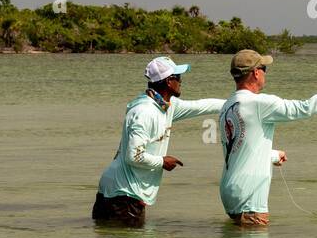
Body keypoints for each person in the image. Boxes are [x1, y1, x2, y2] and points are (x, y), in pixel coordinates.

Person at [218, 49, 317, 227]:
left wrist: (272, 156)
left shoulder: (227, 105)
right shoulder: (259, 103)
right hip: (250, 199)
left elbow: (238, 150)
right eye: (264, 68)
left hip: (229, 194)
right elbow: (305, 108)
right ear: (256, 73)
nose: (265, 73)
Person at [93, 56, 225, 226]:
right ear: (169, 82)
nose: (181, 81)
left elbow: (201, 106)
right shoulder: (144, 112)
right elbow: (133, 156)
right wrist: (162, 161)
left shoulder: (167, 106)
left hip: (123, 193)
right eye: (178, 77)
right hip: (122, 195)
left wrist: (238, 102)